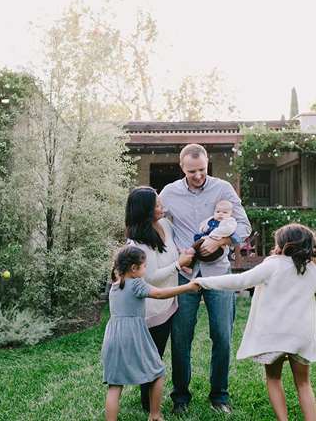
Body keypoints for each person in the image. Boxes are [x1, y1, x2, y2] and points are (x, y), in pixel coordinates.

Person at [194, 223, 316, 421]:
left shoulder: (272, 265)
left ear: (284, 244)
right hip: (301, 337)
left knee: (274, 379)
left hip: (273, 336)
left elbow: (240, 282)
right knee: (304, 384)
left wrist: (202, 282)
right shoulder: (312, 271)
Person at [159, 143, 251, 414]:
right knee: (180, 337)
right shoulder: (169, 193)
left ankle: (219, 395)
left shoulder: (223, 189)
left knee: (222, 335)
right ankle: (180, 398)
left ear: (207, 164)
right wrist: (175, 252)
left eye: (201, 170)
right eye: (191, 171)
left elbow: (244, 226)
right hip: (184, 275)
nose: (198, 175)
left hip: (218, 273)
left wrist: (222, 240)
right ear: (181, 167)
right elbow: (159, 226)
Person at [102, 245, 199, 421]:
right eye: (145, 266)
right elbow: (160, 294)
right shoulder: (136, 283)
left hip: (113, 335)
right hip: (133, 334)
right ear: (134, 268)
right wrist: (187, 287)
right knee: (157, 372)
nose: (146, 269)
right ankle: (155, 415)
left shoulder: (116, 284)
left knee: (115, 385)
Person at [124, 186, 194, 412]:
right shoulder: (139, 243)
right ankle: (148, 405)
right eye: (156, 205)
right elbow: (151, 278)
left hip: (171, 299)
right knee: (154, 357)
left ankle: (176, 395)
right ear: (145, 210)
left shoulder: (165, 225)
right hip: (153, 309)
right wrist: (179, 264)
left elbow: (174, 249)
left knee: (173, 350)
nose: (162, 207)